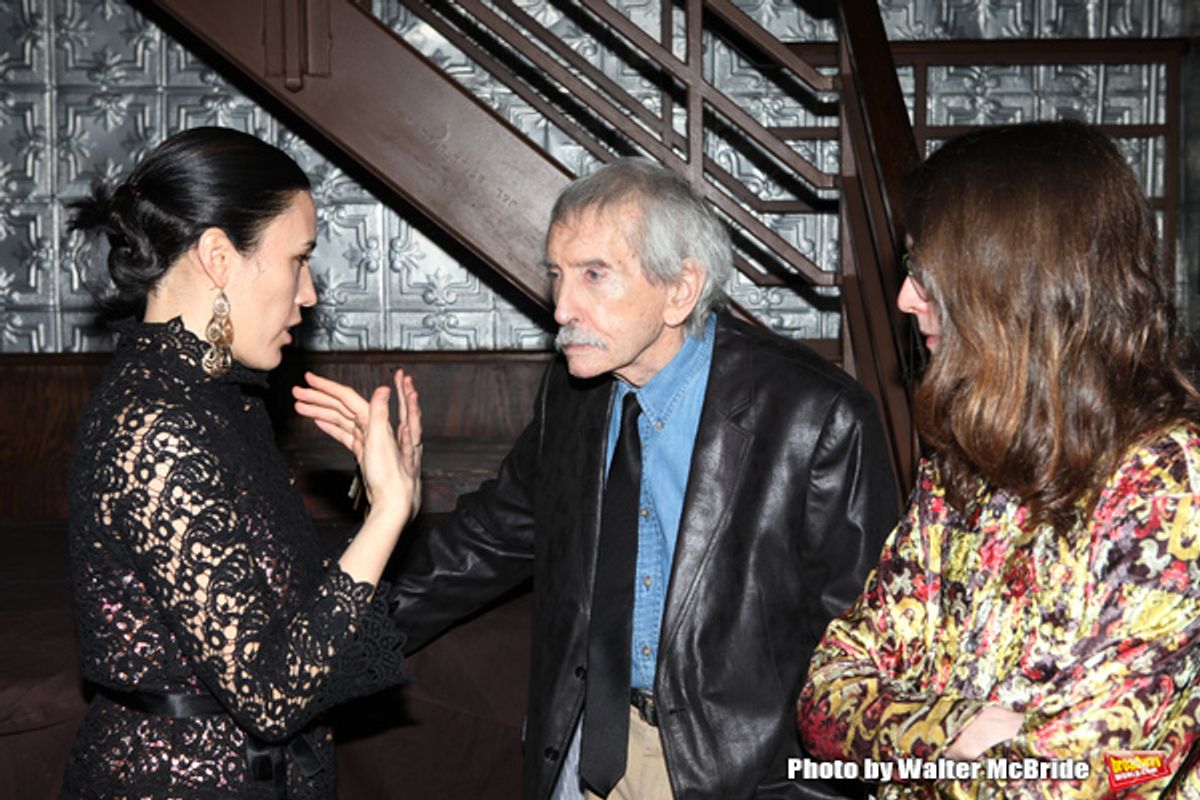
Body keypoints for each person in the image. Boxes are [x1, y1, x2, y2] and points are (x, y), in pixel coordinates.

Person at [298, 158, 898, 799]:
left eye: (594, 276)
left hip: (738, 777)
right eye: (557, 275)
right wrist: (325, 639)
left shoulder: (817, 418)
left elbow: (864, 650)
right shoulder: (574, 394)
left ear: (681, 289)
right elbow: (485, 542)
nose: (561, 308)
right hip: (580, 753)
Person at [798, 120, 1200, 798]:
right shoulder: (963, 460)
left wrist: (916, 747)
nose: (903, 298)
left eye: (925, 275)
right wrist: (964, 726)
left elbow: (1085, 778)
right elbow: (823, 698)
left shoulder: (1168, 480)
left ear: (1011, 288)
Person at [63, 127, 422, 799]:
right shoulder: (159, 423)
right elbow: (271, 695)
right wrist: (390, 514)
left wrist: (379, 500)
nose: (309, 294)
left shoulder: (217, 400)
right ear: (220, 257)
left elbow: (281, 624)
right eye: (299, 259)